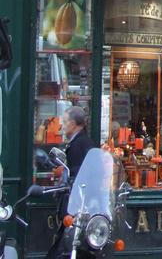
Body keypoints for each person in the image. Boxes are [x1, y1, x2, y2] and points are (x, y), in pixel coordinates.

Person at [46, 106, 95, 259]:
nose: (62, 125)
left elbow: (81, 173)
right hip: (81, 203)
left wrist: (65, 171)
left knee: (65, 243)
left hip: (77, 204)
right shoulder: (84, 141)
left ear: (73, 124)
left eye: (65, 121)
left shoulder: (77, 144)